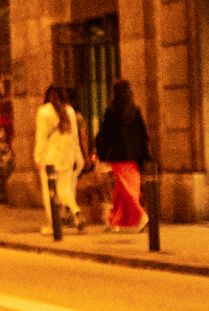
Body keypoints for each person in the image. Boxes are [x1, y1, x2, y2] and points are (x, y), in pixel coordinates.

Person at [94, 78, 152, 231]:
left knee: (126, 189)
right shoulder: (135, 111)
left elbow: (106, 134)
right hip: (134, 156)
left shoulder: (111, 112)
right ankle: (115, 221)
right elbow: (143, 134)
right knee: (122, 188)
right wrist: (145, 154)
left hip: (119, 156)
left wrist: (101, 153)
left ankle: (141, 216)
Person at [34, 84, 86, 229]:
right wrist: (78, 156)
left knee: (49, 192)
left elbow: (41, 137)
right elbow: (74, 137)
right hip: (67, 156)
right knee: (64, 190)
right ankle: (76, 211)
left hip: (49, 158)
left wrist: (38, 157)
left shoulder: (44, 112)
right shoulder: (70, 111)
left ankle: (54, 225)